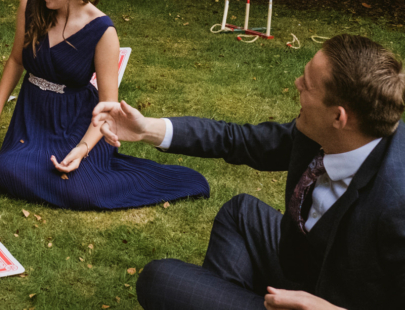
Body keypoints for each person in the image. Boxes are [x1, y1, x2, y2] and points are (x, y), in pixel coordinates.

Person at [91, 34, 405, 309]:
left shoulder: (397, 205)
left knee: (160, 279)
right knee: (240, 212)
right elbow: (238, 140)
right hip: (306, 270)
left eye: (307, 85)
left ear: (339, 117)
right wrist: (147, 129)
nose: (296, 83)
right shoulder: (325, 134)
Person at [0, 0, 210, 209]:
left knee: (83, 191)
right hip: (32, 117)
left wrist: (82, 149)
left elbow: (109, 107)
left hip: (77, 122)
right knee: (8, 171)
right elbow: (15, 60)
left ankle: (161, 180)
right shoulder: (30, 6)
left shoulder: (103, 31)